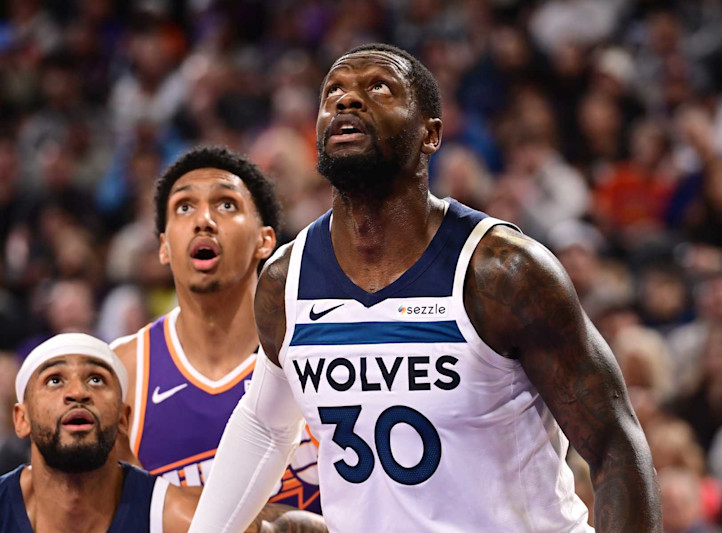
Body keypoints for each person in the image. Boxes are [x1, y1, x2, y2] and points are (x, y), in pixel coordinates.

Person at [190, 43, 661, 532]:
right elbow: (266, 427)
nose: (347, 101)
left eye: (378, 87)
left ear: (430, 134)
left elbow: (614, 445)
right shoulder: (287, 281)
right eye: (333, 92)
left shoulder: (502, 271)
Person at [111, 146, 321, 512]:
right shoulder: (124, 371)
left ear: (265, 240)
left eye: (226, 204)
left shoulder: (320, 350)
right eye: (184, 207)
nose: (203, 220)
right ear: (163, 247)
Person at [0, 333, 328, 533]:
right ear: (21, 418)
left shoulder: (176, 518)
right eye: (54, 380)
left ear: (125, 418)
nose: (77, 392)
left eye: (96, 379)